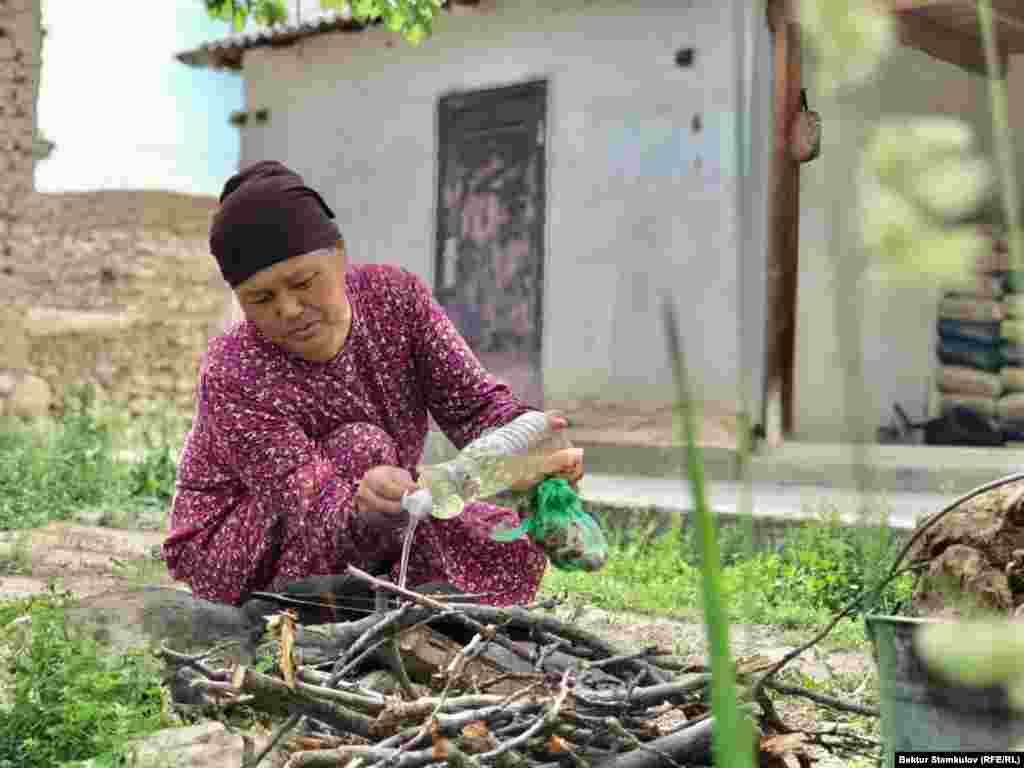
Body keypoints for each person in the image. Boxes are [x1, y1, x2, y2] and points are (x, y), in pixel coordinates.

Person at [162, 161, 584, 608]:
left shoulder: (397, 301)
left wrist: (533, 440)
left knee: (507, 546)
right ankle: (300, 611)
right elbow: (311, 504)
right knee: (363, 448)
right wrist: (363, 504)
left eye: (302, 282)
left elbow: (475, 408)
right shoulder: (234, 368)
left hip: (378, 511)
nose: (287, 309)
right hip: (234, 545)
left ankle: (388, 603)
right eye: (260, 299)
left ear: (339, 255)